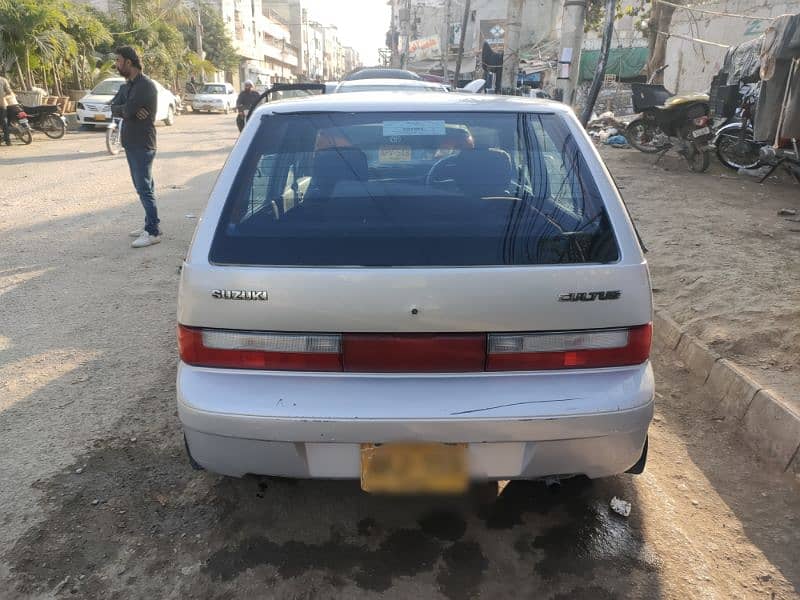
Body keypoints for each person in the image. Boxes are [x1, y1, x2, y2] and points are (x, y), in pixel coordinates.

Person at [110, 46, 162, 248]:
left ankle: (153, 232)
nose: (117, 64)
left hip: (143, 143)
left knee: (144, 188)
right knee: (145, 186)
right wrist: (127, 110)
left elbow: (129, 110)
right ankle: (150, 223)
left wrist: (128, 110)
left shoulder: (144, 86)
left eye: (119, 60)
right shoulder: (129, 85)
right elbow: (113, 107)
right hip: (131, 143)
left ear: (129, 63)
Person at [0, 75, 14, 146]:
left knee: (4, 122)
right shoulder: (3, 80)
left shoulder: (3, 80)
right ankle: (8, 141)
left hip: (2, 104)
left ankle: (7, 140)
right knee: (4, 122)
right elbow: (9, 92)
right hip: (2, 104)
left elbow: (9, 92)